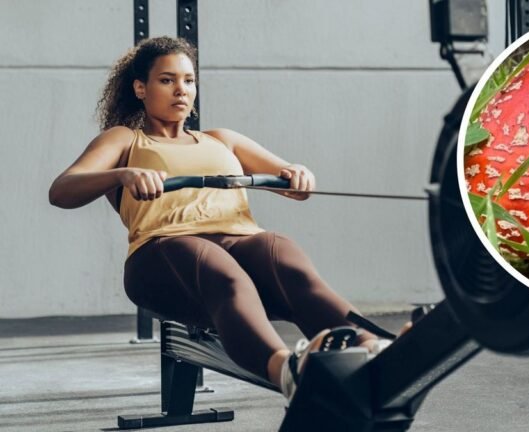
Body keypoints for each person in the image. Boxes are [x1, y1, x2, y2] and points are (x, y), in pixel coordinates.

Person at [48, 36, 389, 399]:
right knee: (215, 265)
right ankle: (287, 371)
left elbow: (294, 183)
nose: (181, 90)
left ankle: (376, 348)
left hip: (237, 242)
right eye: (167, 80)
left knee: (282, 253)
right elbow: (62, 190)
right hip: (162, 255)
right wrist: (122, 175)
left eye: (188, 80)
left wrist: (300, 173)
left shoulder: (221, 140)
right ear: (140, 88)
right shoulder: (125, 140)